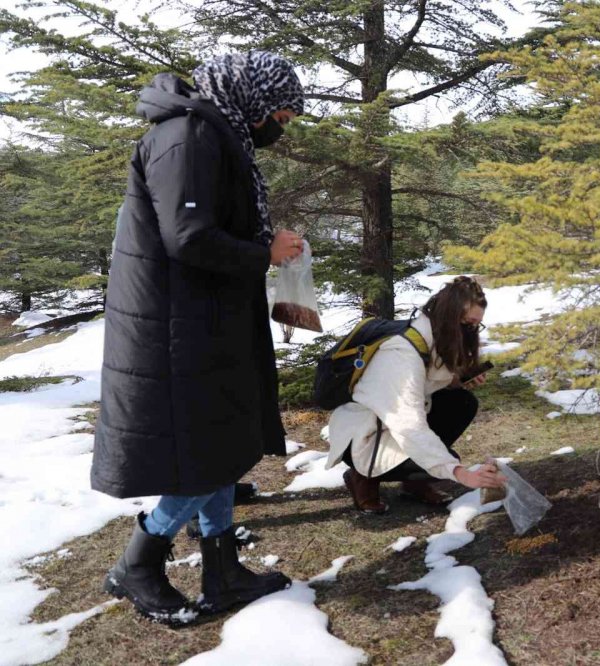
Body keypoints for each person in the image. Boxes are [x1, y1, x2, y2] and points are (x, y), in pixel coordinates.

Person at [91, 51, 306, 625]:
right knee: (203, 457)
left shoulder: (213, 133)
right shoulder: (187, 137)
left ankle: (223, 571)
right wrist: (265, 253)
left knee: (221, 444)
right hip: (173, 328)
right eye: (280, 118)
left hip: (203, 318)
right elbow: (187, 237)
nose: (279, 130)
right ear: (253, 102)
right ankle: (139, 562)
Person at [327, 277, 507, 513]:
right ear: (449, 318)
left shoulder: (431, 338)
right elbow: (409, 425)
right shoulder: (402, 354)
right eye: (467, 323)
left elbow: (425, 385)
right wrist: (459, 473)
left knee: (462, 402)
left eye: (476, 325)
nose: (471, 330)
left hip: (394, 424)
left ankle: (413, 485)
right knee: (445, 459)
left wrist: (456, 380)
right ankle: (362, 477)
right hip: (366, 434)